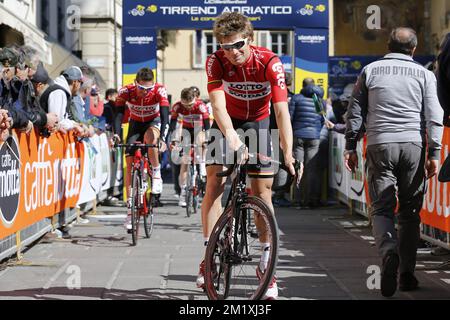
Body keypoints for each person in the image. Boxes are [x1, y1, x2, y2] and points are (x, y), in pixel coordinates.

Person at [198, 12, 295, 300]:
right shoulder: (216, 62)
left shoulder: (269, 62)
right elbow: (218, 107)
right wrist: (234, 141)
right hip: (227, 122)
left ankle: (266, 261)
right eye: (226, 46)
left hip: (260, 123)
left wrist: (288, 154)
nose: (233, 52)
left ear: (249, 39)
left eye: (238, 45)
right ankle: (209, 256)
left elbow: (281, 112)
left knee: (262, 193)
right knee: (214, 185)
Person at [344, 27, 444, 298]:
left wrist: (350, 146)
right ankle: (407, 275)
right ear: (414, 48)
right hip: (413, 145)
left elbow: (355, 112)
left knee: (381, 208)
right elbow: (435, 114)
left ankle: (389, 252)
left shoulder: (370, 71)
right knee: (410, 213)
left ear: (387, 46)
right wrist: (434, 153)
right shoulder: (425, 74)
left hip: (379, 144)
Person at [115, 67, 170, 231]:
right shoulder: (126, 91)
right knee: (130, 162)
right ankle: (130, 211)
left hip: (153, 122)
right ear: (135, 83)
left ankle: (156, 172)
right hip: (135, 124)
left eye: (148, 89)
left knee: (151, 139)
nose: (145, 92)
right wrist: (117, 135)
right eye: (142, 88)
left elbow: (166, 117)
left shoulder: (160, 90)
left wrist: (163, 140)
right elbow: (118, 115)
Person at [167, 87, 210, 207]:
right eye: (185, 105)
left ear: (195, 100)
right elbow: (173, 125)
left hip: (198, 128)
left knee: (201, 139)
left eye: (190, 105)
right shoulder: (177, 106)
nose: (188, 108)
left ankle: (201, 165)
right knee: (184, 162)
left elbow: (206, 124)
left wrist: (208, 138)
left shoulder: (200, 106)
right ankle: (183, 192)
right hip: (186, 130)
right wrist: (173, 140)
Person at [289, 78, 325, 208]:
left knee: (299, 167)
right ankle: (311, 200)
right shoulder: (319, 100)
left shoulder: (297, 98)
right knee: (312, 169)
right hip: (314, 137)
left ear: (303, 85)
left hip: (298, 135)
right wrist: (316, 131)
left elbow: (290, 117)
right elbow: (322, 119)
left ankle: (298, 200)